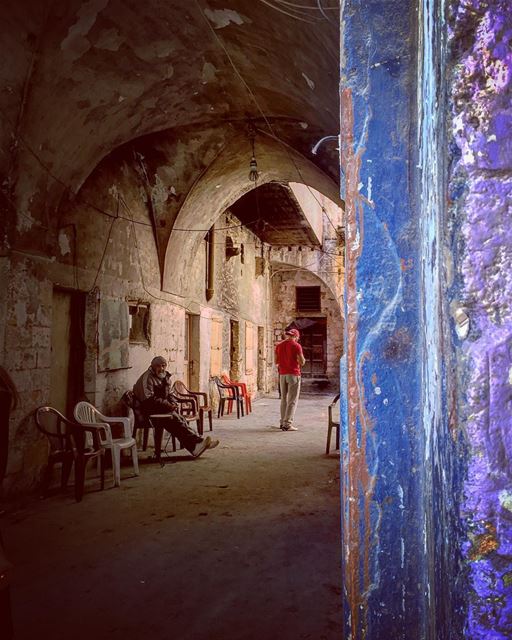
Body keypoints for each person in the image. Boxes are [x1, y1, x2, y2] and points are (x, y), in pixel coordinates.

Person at [133, 356, 218, 458]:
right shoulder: (147, 378)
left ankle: (198, 443)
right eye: (158, 366)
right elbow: (148, 400)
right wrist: (168, 405)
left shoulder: (163, 376)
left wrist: (173, 403)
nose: (162, 368)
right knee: (174, 420)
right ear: (152, 366)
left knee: (179, 419)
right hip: (148, 411)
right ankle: (196, 445)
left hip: (158, 408)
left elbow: (169, 394)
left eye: (164, 366)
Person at [274, 328, 306, 431]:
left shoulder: (279, 345)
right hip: (293, 374)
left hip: (282, 374)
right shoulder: (296, 346)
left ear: (288, 335)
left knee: (284, 399)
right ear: (296, 337)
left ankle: (282, 421)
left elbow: (276, 361)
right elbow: (302, 362)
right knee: (292, 400)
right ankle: (287, 424)